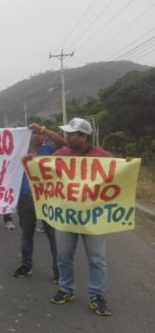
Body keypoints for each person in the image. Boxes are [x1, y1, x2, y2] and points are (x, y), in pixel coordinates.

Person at [48, 118, 117, 316]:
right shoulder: (59, 154)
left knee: (97, 258)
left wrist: (126, 166)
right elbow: (47, 176)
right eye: (67, 133)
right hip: (66, 215)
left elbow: (117, 178)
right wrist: (30, 162)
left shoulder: (103, 157)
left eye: (71, 134)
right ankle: (66, 289)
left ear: (83, 137)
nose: (66, 137)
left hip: (94, 217)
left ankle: (97, 296)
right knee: (63, 256)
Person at [14, 123, 64, 282]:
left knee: (53, 237)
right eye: (34, 133)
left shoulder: (50, 150)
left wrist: (44, 129)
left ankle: (58, 271)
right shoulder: (20, 151)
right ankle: (26, 265)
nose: (37, 136)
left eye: (40, 133)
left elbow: (63, 143)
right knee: (26, 235)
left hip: (48, 198)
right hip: (25, 199)